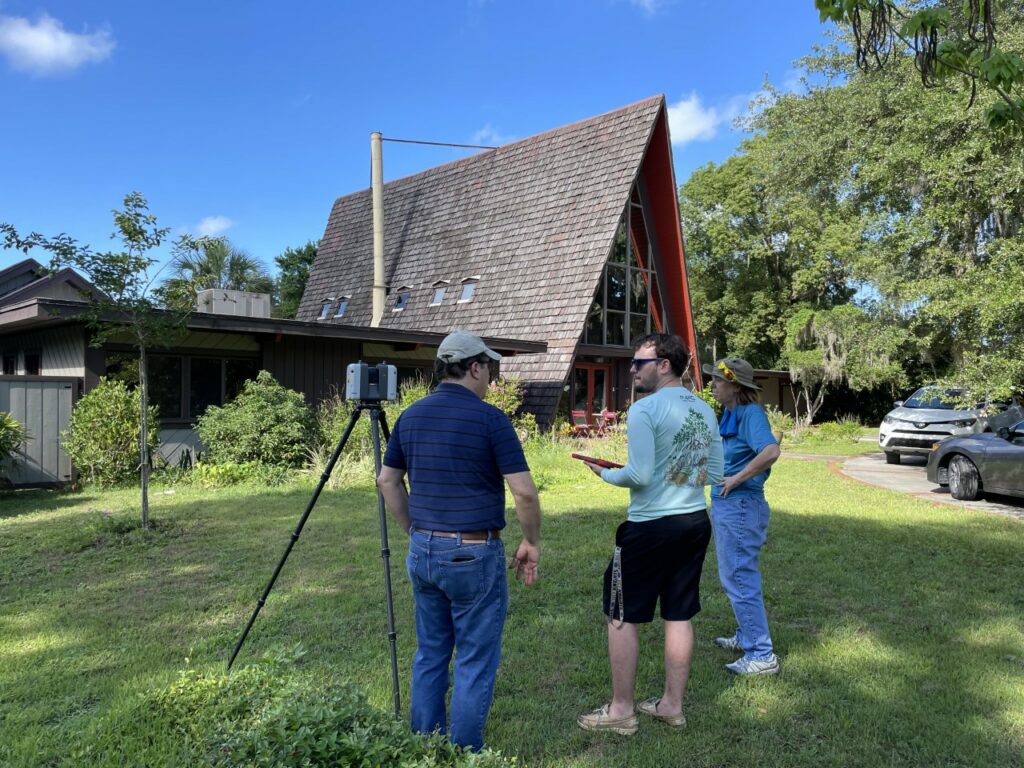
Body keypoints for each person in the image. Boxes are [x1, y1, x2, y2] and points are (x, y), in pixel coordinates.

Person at [377, 330, 541, 752]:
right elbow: (523, 491)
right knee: (473, 658)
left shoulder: (410, 416)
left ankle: (424, 748)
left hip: (423, 551)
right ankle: (464, 753)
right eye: (488, 367)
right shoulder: (491, 420)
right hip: (473, 552)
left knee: (431, 653)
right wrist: (530, 541)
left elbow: (387, 481)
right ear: (474, 368)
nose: (490, 376)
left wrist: (415, 531)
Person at [577, 333, 723, 735]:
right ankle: (671, 706)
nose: (632, 370)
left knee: (622, 612)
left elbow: (639, 475)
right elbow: (713, 473)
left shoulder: (644, 410)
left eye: (639, 363)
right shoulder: (704, 410)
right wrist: (673, 478)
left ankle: (622, 710)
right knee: (679, 612)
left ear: (664, 364)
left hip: (649, 526)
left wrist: (604, 471)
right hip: (694, 522)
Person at [704, 356, 782, 676]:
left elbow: (771, 451)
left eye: (719, 380)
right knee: (735, 575)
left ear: (735, 385)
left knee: (739, 577)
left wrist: (736, 479)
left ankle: (762, 654)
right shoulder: (731, 413)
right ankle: (746, 634)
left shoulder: (750, 414)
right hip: (729, 506)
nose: (713, 384)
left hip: (740, 506)